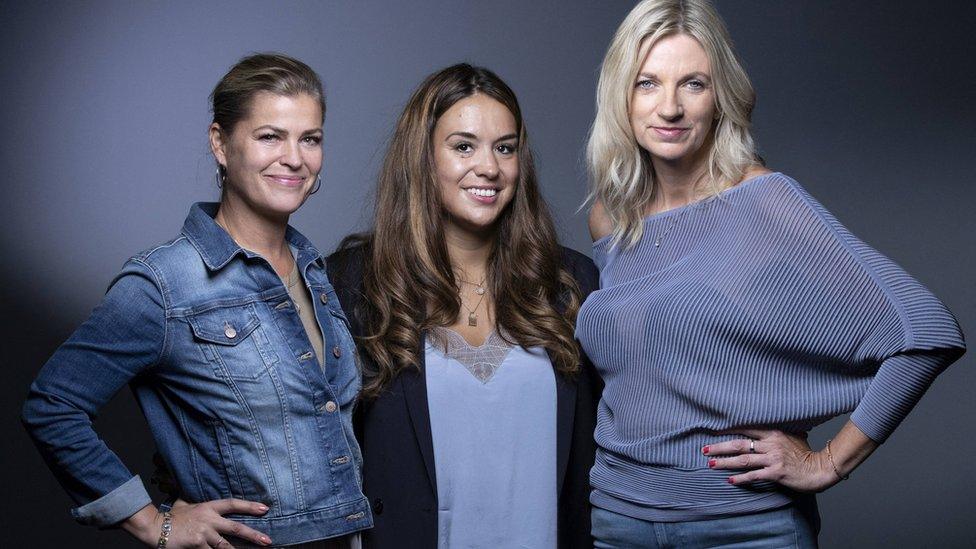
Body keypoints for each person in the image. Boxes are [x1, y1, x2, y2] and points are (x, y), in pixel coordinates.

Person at [578, 0, 966, 546]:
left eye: (693, 84)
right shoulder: (609, 218)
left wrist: (828, 462)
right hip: (618, 520)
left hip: (744, 526)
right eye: (647, 83)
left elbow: (925, 331)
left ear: (721, 99)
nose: (669, 107)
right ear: (622, 96)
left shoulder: (763, 201)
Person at [21, 53, 372, 548]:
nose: (294, 157)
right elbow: (53, 405)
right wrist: (152, 522)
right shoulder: (164, 284)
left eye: (309, 139)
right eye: (270, 136)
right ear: (220, 144)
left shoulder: (319, 272)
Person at [326, 63, 600, 548]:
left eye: (505, 148)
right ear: (423, 158)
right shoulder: (356, 283)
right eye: (463, 146)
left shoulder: (571, 283)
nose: (489, 168)